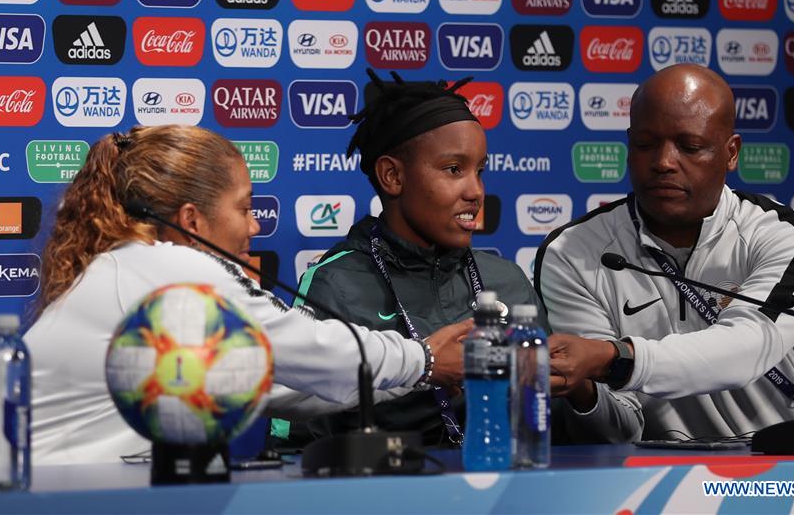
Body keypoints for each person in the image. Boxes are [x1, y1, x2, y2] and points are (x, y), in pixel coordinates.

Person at [25, 125, 471, 465]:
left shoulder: (133, 270)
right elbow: (312, 347)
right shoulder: (171, 268)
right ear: (191, 220)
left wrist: (425, 371)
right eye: (244, 207)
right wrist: (425, 358)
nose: (255, 227)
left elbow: (286, 387)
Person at [536, 64, 794, 443]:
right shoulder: (573, 252)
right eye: (645, 145)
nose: (663, 162)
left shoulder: (790, 239)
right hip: (650, 480)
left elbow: (745, 348)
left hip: (776, 470)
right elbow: (619, 427)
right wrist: (584, 392)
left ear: (731, 153)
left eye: (689, 147)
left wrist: (614, 357)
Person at [292, 70, 549, 446]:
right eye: (453, 170)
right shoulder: (336, 283)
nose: (475, 191)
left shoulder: (506, 279)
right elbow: (296, 439)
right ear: (392, 176)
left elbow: (547, 416)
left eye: (480, 171)